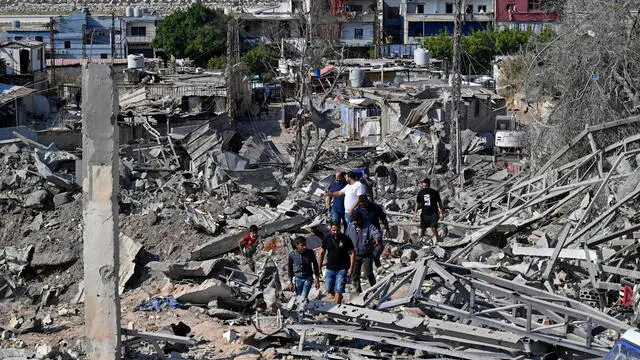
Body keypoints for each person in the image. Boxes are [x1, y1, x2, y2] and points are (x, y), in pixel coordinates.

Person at [318, 221, 355, 304]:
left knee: (339, 288)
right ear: (330, 229)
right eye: (334, 230)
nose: (335, 232)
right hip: (330, 268)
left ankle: (335, 308)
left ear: (340, 229)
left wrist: (351, 268)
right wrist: (319, 267)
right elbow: (322, 252)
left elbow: (352, 253)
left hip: (342, 268)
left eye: (337, 230)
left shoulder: (346, 239)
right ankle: (338, 299)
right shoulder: (326, 239)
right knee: (329, 288)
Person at [345, 212, 381, 293]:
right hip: (354, 255)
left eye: (357, 220)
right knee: (355, 275)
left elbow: (376, 233)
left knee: (369, 273)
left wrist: (377, 238)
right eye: (354, 221)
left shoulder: (368, 226)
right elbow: (346, 237)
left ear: (361, 219)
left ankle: (375, 291)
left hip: (366, 255)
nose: (355, 222)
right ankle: (358, 293)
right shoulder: (350, 226)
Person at [354, 195, 390, 268]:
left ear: (367, 201)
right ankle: (369, 268)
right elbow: (355, 223)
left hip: (376, 232)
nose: (364, 206)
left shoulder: (376, 207)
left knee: (378, 249)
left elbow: (383, 219)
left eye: (364, 204)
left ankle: (377, 264)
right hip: (364, 234)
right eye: (362, 205)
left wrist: (387, 229)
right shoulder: (358, 210)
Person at [412, 178, 445, 243]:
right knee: (422, 230)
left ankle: (438, 239)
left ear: (429, 186)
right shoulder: (420, 193)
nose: (424, 188)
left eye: (426, 186)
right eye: (423, 186)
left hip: (433, 213)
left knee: (433, 228)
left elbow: (440, 203)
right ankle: (420, 242)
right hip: (424, 214)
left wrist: (441, 213)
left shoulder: (435, 193)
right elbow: (417, 203)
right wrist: (415, 213)